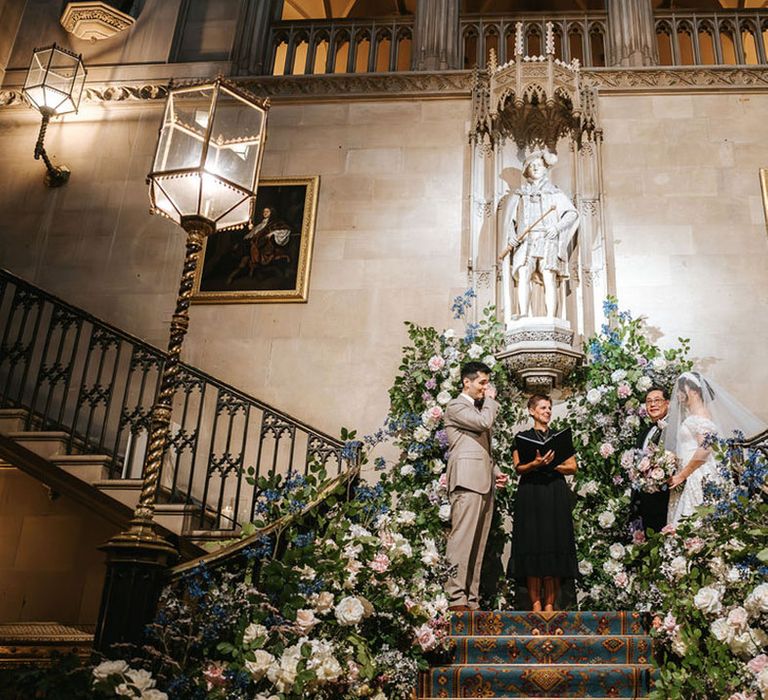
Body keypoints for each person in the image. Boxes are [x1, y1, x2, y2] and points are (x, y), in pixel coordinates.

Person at [444, 361, 508, 612]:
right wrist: (491, 401)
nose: (486, 388)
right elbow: (483, 423)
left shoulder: (477, 409)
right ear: (466, 382)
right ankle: (456, 597)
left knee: (478, 544)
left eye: (487, 384)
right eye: (482, 382)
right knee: (462, 540)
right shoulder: (456, 406)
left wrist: (494, 471)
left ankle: (471, 598)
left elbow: (477, 446)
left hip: (483, 481)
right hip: (466, 481)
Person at [663, 371, 766, 526]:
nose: (678, 393)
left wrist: (683, 475)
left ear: (695, 391)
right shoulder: (693, 415)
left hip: (697, 474)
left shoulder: (701, 415)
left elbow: (705, 449)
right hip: (690, 472)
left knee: (696, 519)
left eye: (681, 389)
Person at [510, 394, 578, 612]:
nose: (547, 411)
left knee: (552, 545)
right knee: (532, 546)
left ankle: (550, 603)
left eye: (549, 408)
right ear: (531, 411)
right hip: (531, 493)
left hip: (554, 494)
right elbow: (518, 467)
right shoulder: (522, 437)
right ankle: (535, 603)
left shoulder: (559, 437)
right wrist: (536, 463)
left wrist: (552, 465)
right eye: (542, 407)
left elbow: (573, 467)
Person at [501, 149, 579, 320]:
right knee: (523, 274)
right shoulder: (520, 194)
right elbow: (510, 221)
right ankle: (523, 314)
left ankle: (552, 316)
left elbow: (572, 214)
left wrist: (557, 228)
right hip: (525, 240)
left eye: (539, 166)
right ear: (527, 170)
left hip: (547, 239)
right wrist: (512, 235)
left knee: (549, 276)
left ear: (545, 169)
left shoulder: (554, 192)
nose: (535, 168)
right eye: (532, 166)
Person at [630, 386, 671, 535]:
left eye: (657, 400)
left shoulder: (674, 429)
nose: (652, 404)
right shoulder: (644, 433)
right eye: (648, 402)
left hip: (666, 498)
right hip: (645, 503)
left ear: (668, 403)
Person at [227, 207, 291, 285]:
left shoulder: (275, 223)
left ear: (271, 213)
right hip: (255, 245)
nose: (265, 213)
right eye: (264, 211)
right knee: (245, 257)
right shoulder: (260, 224)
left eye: (267, 211)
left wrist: (272, 234)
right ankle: (234, 276)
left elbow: (285, 230)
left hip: (265, 246)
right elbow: (251, 234)